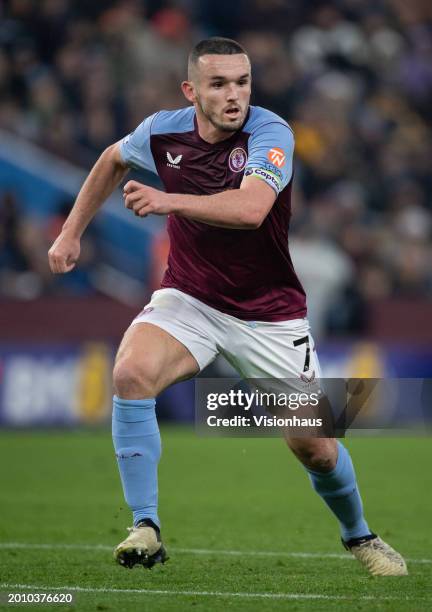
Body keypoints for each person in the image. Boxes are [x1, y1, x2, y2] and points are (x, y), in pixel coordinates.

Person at [48, 37, 407, 576]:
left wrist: (168, 200)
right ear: (192, 91)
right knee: (130, 373)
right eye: (219, 84)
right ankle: (145, 525)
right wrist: (71, 233)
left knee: (317, 448)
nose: (234, 94)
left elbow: (251, 209)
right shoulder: (161, 131)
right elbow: (112, 159)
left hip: (270, 314)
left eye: (242, 81)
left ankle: (361, 536)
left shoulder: (271, 132)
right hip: (189, 297)